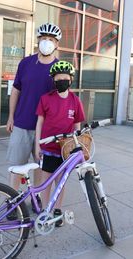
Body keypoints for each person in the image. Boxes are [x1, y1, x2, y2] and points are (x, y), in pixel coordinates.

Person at [6, 23, 62, 195]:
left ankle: (35, 196)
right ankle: (12, 202)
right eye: (44, 38)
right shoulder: (26, 63)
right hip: (22, 123)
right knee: (16, 167)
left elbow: (61, 98)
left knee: (40, 167)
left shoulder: (59, 68)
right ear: (38, 40)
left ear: (57, 44)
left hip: (45, 129)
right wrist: (10, 117)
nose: (47, 42)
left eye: (51, 39)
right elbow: (16, 90)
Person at [35, 61, 85, 227]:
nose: (62, 80)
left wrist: (77, 145)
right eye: (58, 78)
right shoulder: (45, 99)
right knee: (46, 181)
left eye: (65, 77)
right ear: (53, 80)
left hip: (65, 150)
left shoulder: (75, 100)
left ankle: (57, 209)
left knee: (60, 182)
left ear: (71, 80)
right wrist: (37, 145)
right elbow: (39, 123)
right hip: (48, 149)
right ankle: (44, 210)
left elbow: (77, 125)